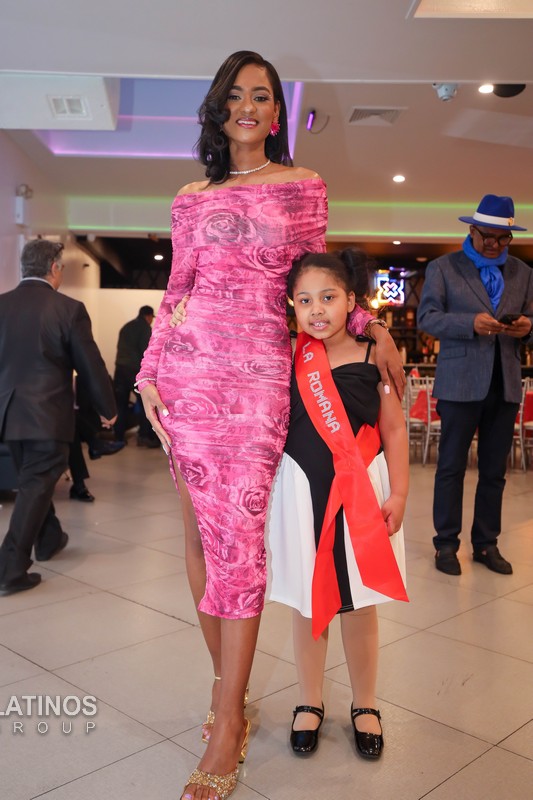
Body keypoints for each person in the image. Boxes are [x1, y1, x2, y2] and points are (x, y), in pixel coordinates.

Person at [135, 51, 405, 800]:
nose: (247, 107)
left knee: (239, 547)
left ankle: (226, 724)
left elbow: (315, 280)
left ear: (277, 112)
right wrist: (147, 374)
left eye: (261, 96)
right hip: (186, 379)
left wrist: (368, 324)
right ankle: (229, 692)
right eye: (235, 95)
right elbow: (177, 290)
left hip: (257, 381)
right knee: (199, 540)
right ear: (217, 109)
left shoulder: (301, 185)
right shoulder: (189, 197)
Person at [268, 250, 408, 761]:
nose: (317, 310)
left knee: (359, 602)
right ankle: (310, 700)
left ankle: (365, 703)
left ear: (352, 301)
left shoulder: (374, 357)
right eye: (305, 300)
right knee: (310, 603)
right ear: (292, 306)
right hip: (301, 492)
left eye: (328, 298)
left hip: (360, 493)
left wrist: (399, 493)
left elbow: (394, 429)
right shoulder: (286, 355)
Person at [417, 195, 533, 576]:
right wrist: (470, 323)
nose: (495, 245)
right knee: (451, 467)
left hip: (505, 384)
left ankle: (486, 543)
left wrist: (526, 328)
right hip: (459, 384)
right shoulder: (443, 268)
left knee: (494, 472)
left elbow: (531, 319)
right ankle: (446, 544)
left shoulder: (522, 272)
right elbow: (427, 318)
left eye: (503, 239)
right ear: (472, 230)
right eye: (488, 237)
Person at [0, 240, 116, 596]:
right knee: (36, 484)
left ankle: (49, 538)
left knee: (34, 480)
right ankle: (9, 569)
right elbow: (90, 365)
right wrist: (108, 409)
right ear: (54, 268)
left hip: (7, 418)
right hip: (46, 417)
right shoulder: (68, 309)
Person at [114, 306, 158, 447]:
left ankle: (119, 438)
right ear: (148, 316)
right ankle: (143, 437)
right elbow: (145, 352)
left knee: (120, 405)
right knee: (144, 403)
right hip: (134, 371)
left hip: (120, 370)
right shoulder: (145, 328)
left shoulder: (126, 326)